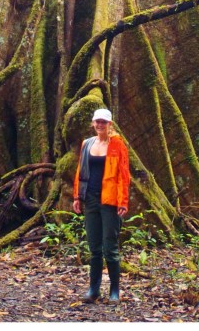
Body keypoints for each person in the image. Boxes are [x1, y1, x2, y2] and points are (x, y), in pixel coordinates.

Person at [73, 108, 130, 303]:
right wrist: (77, 197)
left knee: (110, 248)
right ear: (93, 123)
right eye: (97, 122)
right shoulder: (87, 144)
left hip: (110, 201)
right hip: (90, 200)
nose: (100, 125)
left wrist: (123, 201)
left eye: (103, 122)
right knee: (94, 248)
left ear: (109, 124)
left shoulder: (117, 145)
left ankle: (115, 290)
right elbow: (80, 171)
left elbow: (124, 175)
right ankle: (93, 289)